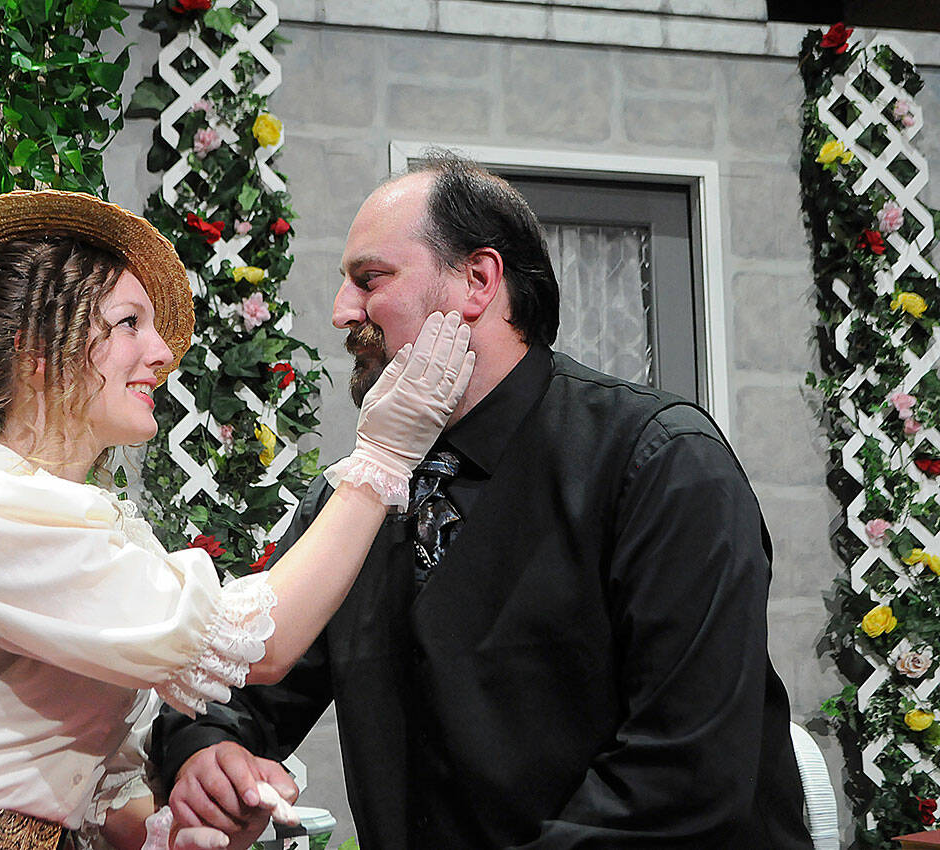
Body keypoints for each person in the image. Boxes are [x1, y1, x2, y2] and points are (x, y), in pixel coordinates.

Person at [0, 189, 473, 850]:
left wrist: (166, 829)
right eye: (130, 323)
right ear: (43, 346)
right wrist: (382, 456)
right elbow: (260, 644)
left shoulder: (85, 522)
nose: (163, 352)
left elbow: (77, 772)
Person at [151, 154, 816, 849]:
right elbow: (239, 675)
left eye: (369, 279)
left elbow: (687, 774)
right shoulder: (356, 499)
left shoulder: (658, 462)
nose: (343, 311)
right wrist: (203, 751)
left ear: (477, 280)